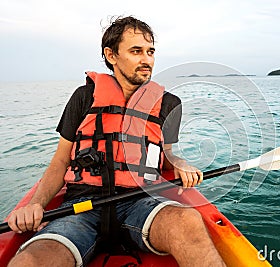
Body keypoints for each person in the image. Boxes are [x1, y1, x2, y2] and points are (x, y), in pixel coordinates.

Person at [7, 16, 226, 267]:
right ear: (111, 55)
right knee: (31, 262)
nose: (147, 60)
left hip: (141, 201)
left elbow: (167, 156)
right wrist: (35, 204)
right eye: (136, 51)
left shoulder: (168, 104)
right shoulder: (84, 97)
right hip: (81, 208)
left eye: (150, 51)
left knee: (187, 222)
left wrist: (179, 163)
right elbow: (59, 161)